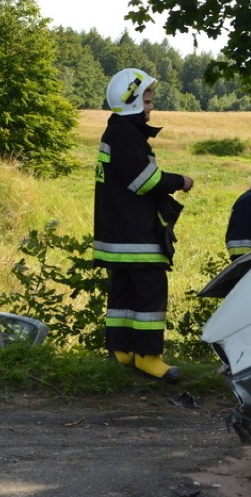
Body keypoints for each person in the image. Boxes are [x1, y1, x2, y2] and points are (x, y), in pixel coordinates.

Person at [93, 68, 194, 383]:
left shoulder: (117, 132)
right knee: (151, 294)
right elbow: (145, 181)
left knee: (123, 293)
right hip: (136, 235)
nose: (151, 106)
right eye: (147, 100)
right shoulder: (126, 135)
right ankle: (149, 358)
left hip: (118, 234)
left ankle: (122, 351)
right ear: (133, 101)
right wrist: (181, 181)